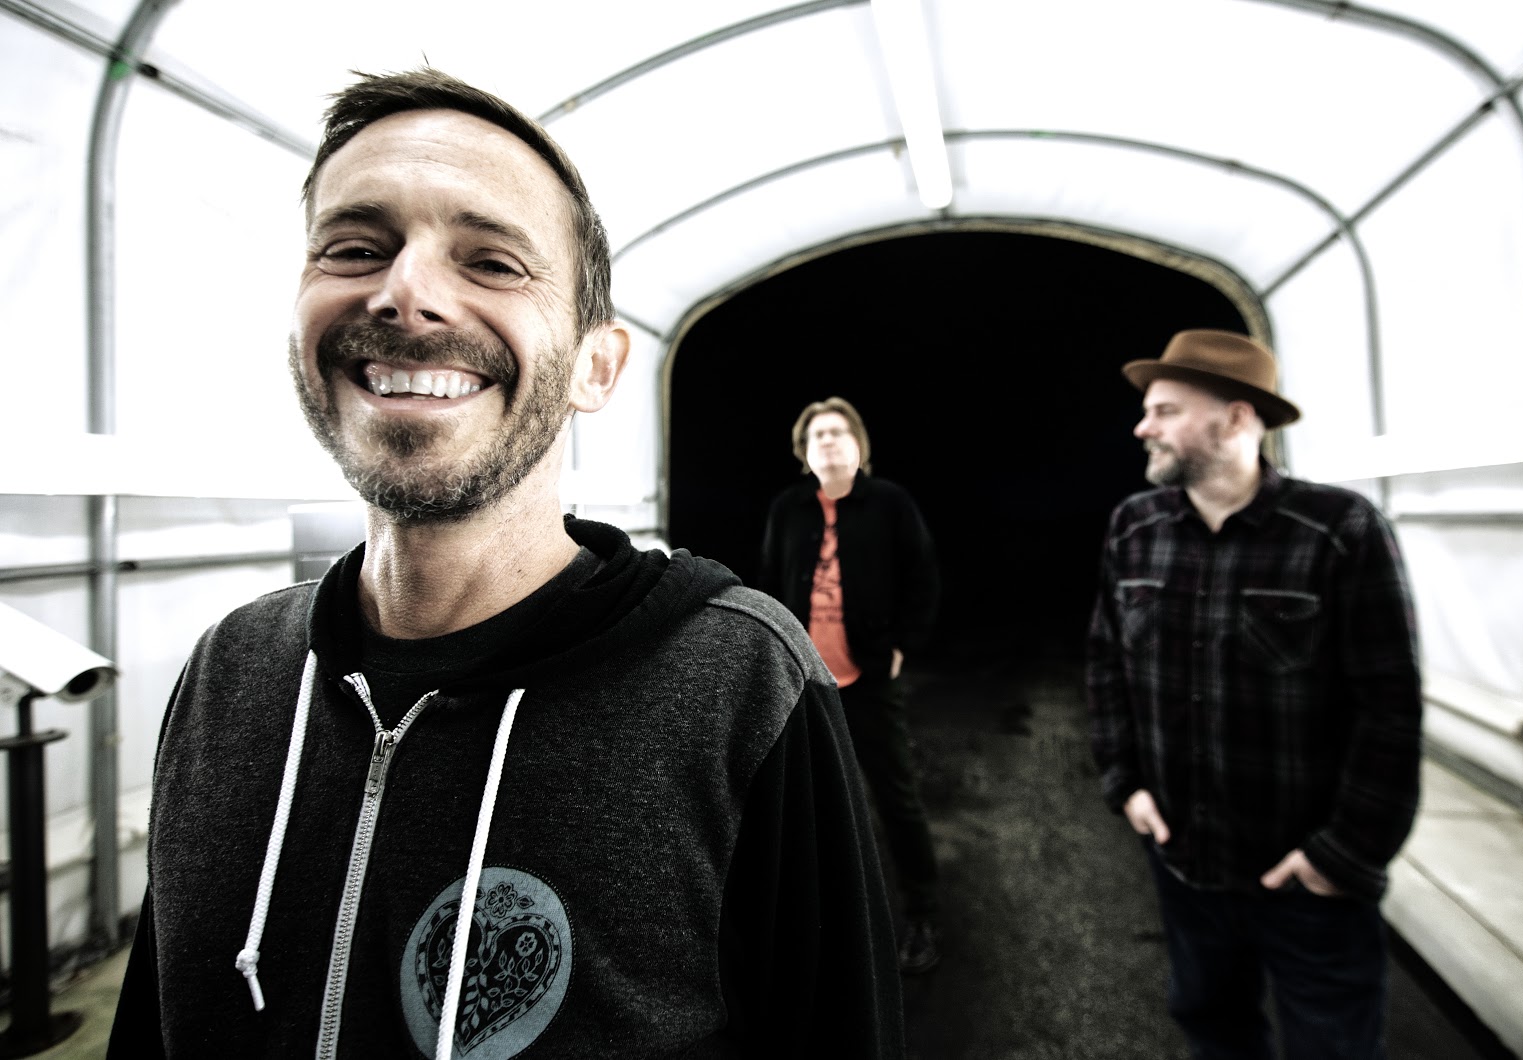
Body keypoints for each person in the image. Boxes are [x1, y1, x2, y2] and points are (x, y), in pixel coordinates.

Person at [108, 69, 902, 1059]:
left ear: (595, 366)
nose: (405, 292)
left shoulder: (738, 688)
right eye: (355, 247)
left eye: (491, 262)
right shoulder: (233, 669)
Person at [1085, 330, 1423, 1059]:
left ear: (1237, 419)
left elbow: (1390, 707)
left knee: (1332, 1047)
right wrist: (1125, 782)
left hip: (1304, 878)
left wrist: (1342, 855)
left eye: (1166, 411)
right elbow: (1107, 663)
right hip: (1183, 861)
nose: (1143, 427)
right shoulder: (1135, 527)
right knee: (1212, 1025)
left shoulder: (1338, 530)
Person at [759, 397, 943, 974]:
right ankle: (815, 920)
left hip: (868, 677)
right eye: (818, 435)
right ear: (804, 452)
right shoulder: (788, 508)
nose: (829, 441)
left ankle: (923, 914)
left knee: (895, 797)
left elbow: (923, 577)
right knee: (803, 801)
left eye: (840, 432)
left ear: (859, 446)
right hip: (804, 680)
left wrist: (902, 645)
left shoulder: (889, 503)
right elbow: (769, 581)